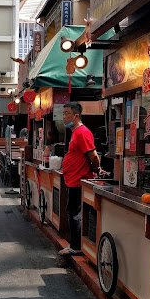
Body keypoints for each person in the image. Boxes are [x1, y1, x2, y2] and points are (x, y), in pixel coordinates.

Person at [60, 102, 101, 255]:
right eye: (63, 113)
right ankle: (76, 245)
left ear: (76, 116)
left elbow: (93, 156)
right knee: (72, 212)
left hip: (78, 180)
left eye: (67, 113)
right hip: (73, 179)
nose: (64, 117)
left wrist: (97, 168)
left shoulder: (82, 132)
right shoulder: (75, 133)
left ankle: (76, 247)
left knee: (74, 213)